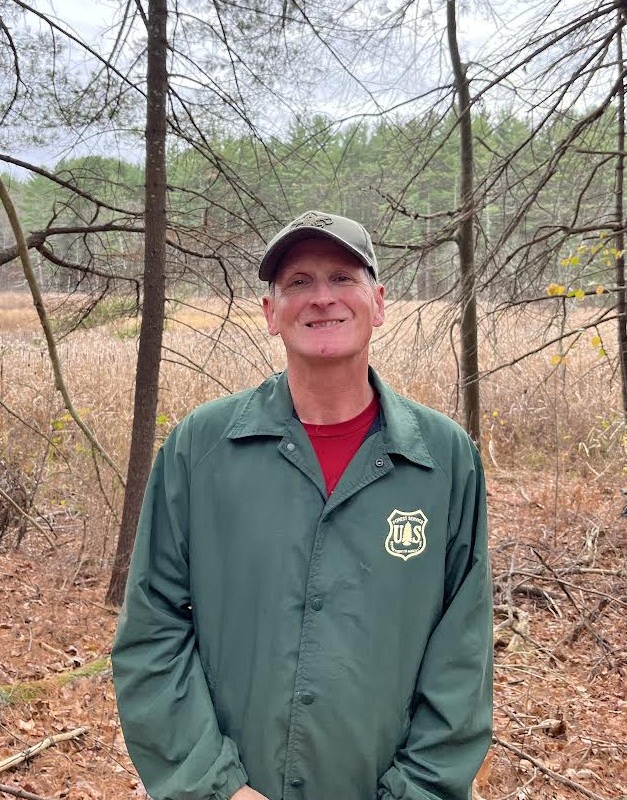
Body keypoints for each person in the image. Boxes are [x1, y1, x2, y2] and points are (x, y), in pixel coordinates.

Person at [112, 210, 493, 800]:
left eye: (343, 277)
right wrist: (215, 788)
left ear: (380, 302)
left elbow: (462, 658)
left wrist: (416, 791)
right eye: (298, 282)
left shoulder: (444, 460)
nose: (322, 298)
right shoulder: (202, 449)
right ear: (270, 312)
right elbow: (153, 633)